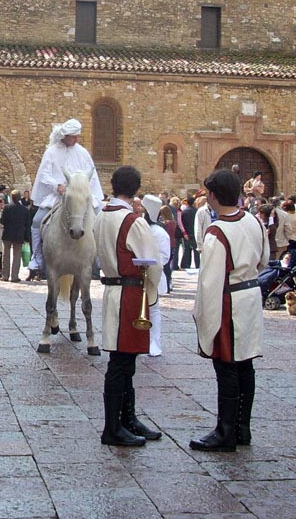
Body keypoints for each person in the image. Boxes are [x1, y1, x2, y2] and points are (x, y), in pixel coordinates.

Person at [190, 169, 269, 452]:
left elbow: (210, 281)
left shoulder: (217, 231)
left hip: (228, 301)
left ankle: (225, 432)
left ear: (212, 195)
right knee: (245, 363)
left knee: (226, 367)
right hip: (249, 295)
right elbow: (264, 259)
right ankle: (242, 427)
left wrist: (203, 319)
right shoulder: (253, 221)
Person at [93, 167, 162, 447]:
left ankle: (127, 418)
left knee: (125, 360)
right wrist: (152, 294)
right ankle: (113, 427)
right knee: (121, 362)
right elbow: (151, 262)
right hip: (130, 291)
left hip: (113, 288)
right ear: (136, 189)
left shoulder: (102, 216)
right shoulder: (133, 221)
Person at [28, 119, 104, 280]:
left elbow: (91, 175)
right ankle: (36, 257)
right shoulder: (51, 152)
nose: (76, 140)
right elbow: (44, 174)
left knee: (98, 218)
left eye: (77, 136)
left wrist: (81, 188)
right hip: (57, 195)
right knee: (37, 221)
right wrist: (58, 186)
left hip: (79, 195)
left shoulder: (82, 152)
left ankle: (98, 257)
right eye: (73, 136)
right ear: (64, 136)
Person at [141, 195, 170, 357]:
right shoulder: (141, 228)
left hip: (153, 274)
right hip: (138, 274)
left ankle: (155, 342)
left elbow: (164, 257)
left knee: (154, 309)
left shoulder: (159, 232)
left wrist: (149, 264)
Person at [0, 190, 31, 282]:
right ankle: (14, 276)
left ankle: (5, 275)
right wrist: (27, 237)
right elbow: (27, 225)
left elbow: (2, 221)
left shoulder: (7, 208)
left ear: (12, 198)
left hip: (7, 234)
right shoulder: (24, 210)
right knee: (17, 256)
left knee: (6, 255)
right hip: (19, 235)